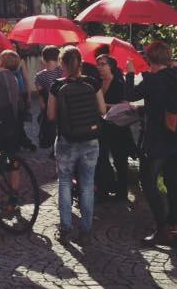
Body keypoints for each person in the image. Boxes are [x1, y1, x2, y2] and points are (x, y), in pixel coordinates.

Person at [125, 41, 177, 248]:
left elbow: (130, 95)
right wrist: (145, 111)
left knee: (148, 182)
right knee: (176, 185)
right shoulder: (176, 77)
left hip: (158, 142)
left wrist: (129, 73)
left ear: (150, 59)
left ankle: (163, 229)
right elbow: (163, 105)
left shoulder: (153, 80)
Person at [47, 46, 106, 245]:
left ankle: (65, 228)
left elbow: (51, 115)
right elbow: (103, 109)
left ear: (62, 64)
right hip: (90, 140)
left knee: (64, 182)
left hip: (66, 140)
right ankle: (86, 229)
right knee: (87, 184)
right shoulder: (92, 82)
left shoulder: (56, 86)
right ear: (81, 63)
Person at [94, 54, 135, 203]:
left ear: (110, 66)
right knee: (101, 158)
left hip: (118, 128)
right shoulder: (96, 82)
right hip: (101, 127)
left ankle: (122, 193)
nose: (99, 67)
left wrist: (104, 106)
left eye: (102, 64)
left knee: (120, 160)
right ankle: (105, 188)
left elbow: (124, 105)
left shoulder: (118, 83)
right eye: (98, 64)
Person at [35, 46, 64, 152]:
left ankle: (54, 148)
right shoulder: (62, 72)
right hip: (62, 103)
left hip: (48, 103)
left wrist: (42, 103)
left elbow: (40, 92)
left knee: (50, 127)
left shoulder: (40, 75)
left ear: (43, 59)